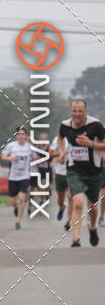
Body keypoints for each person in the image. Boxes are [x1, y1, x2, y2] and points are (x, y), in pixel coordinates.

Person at [58, 99, 105, 247]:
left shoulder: (95, 125)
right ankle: (76, 238)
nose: (77, 114)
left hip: (94, 172)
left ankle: (92, 227)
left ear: (85, 111)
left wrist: (91, 144)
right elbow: (60, 137)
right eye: (74, 111)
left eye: (80, 111)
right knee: (77, 202)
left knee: (93, 206)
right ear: (70, 111)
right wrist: (61, 152)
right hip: (74, 170)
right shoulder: (65, 125)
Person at [1, 127, 32, 229]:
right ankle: (15, 207)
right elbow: (2, 156)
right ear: (16, 136)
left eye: (23, 134)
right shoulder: (11, 146)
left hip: (25, 176)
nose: (21, 136)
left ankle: (18, 221)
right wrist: (10, 158)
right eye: (19, 134)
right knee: (13, 202)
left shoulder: (29, 147)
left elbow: (37, 156)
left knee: (22, 199)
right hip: (13, 177)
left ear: (26, 136)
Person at [50, 134, 72, 227]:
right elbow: (51, 154)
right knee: (60, 199)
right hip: (60, 172)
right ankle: (62, 206)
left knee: (71, 197)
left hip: (73, 171)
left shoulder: (75, 137)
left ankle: (68, 221)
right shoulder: (57, 139)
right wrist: (61, 154)